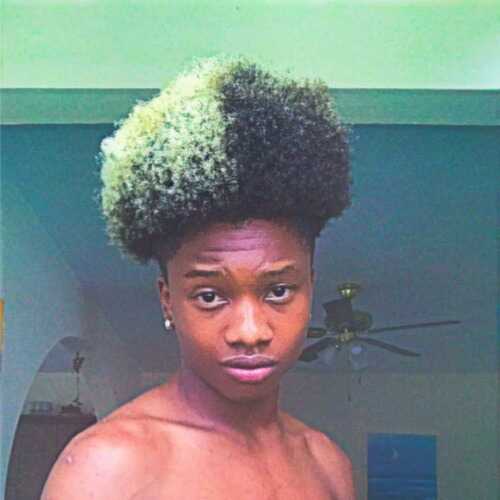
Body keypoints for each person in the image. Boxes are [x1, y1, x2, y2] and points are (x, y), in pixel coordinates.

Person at [42, 56, 355, 499]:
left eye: (278, 291)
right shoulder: (107, 469)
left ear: (311, 287)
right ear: (167, 299)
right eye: (210, 296)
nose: (250, 332)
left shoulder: (327, 465)